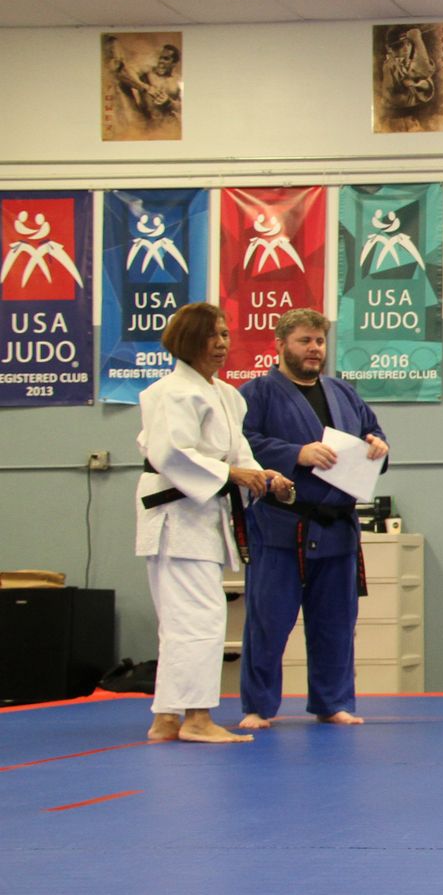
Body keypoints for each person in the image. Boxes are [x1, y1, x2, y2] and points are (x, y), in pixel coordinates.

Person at [135, 303, 290, 743]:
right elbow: (172, 454)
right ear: (188, 341)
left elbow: (238, 453)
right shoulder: (169, 392)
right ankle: (197, 718)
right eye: (212, 336)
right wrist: (231, 475)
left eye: (225, 335)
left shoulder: (226, 395)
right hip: (175, 516)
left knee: (184, 619)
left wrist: (263, 475)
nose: (222, 343)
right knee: (197, 618)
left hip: (202, 515)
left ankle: (166, 718)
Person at [236, 309, 389, 730]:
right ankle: (258, 706)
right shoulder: (257, 393)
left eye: (319, 341)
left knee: (336, 623)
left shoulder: (343, 393)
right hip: (281, 523)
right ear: (281, 344)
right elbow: (241, 444)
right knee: (268, 621)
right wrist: (295, 453)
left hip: (337, 526)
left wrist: (378, 445)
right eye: (304, 340)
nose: (314, 348)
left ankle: (333, 701)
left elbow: (374, 432)